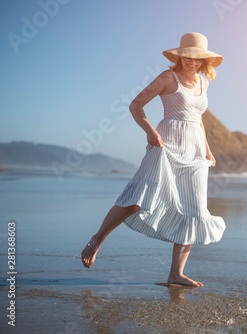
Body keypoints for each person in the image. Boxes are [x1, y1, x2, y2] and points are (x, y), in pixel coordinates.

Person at [81, 32, 226, 287]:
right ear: (180, 56)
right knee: (138, 200)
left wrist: (207, 149)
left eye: (197, 58)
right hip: (166, 145)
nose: (192, 62)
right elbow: (136, 105)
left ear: (204, 60)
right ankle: (97, 239)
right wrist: (150, 131)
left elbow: (198, 119)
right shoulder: (168, 78)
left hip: (194, 153)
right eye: (188, 57)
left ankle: (175, 274)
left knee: (194, 211)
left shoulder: (205, 83)